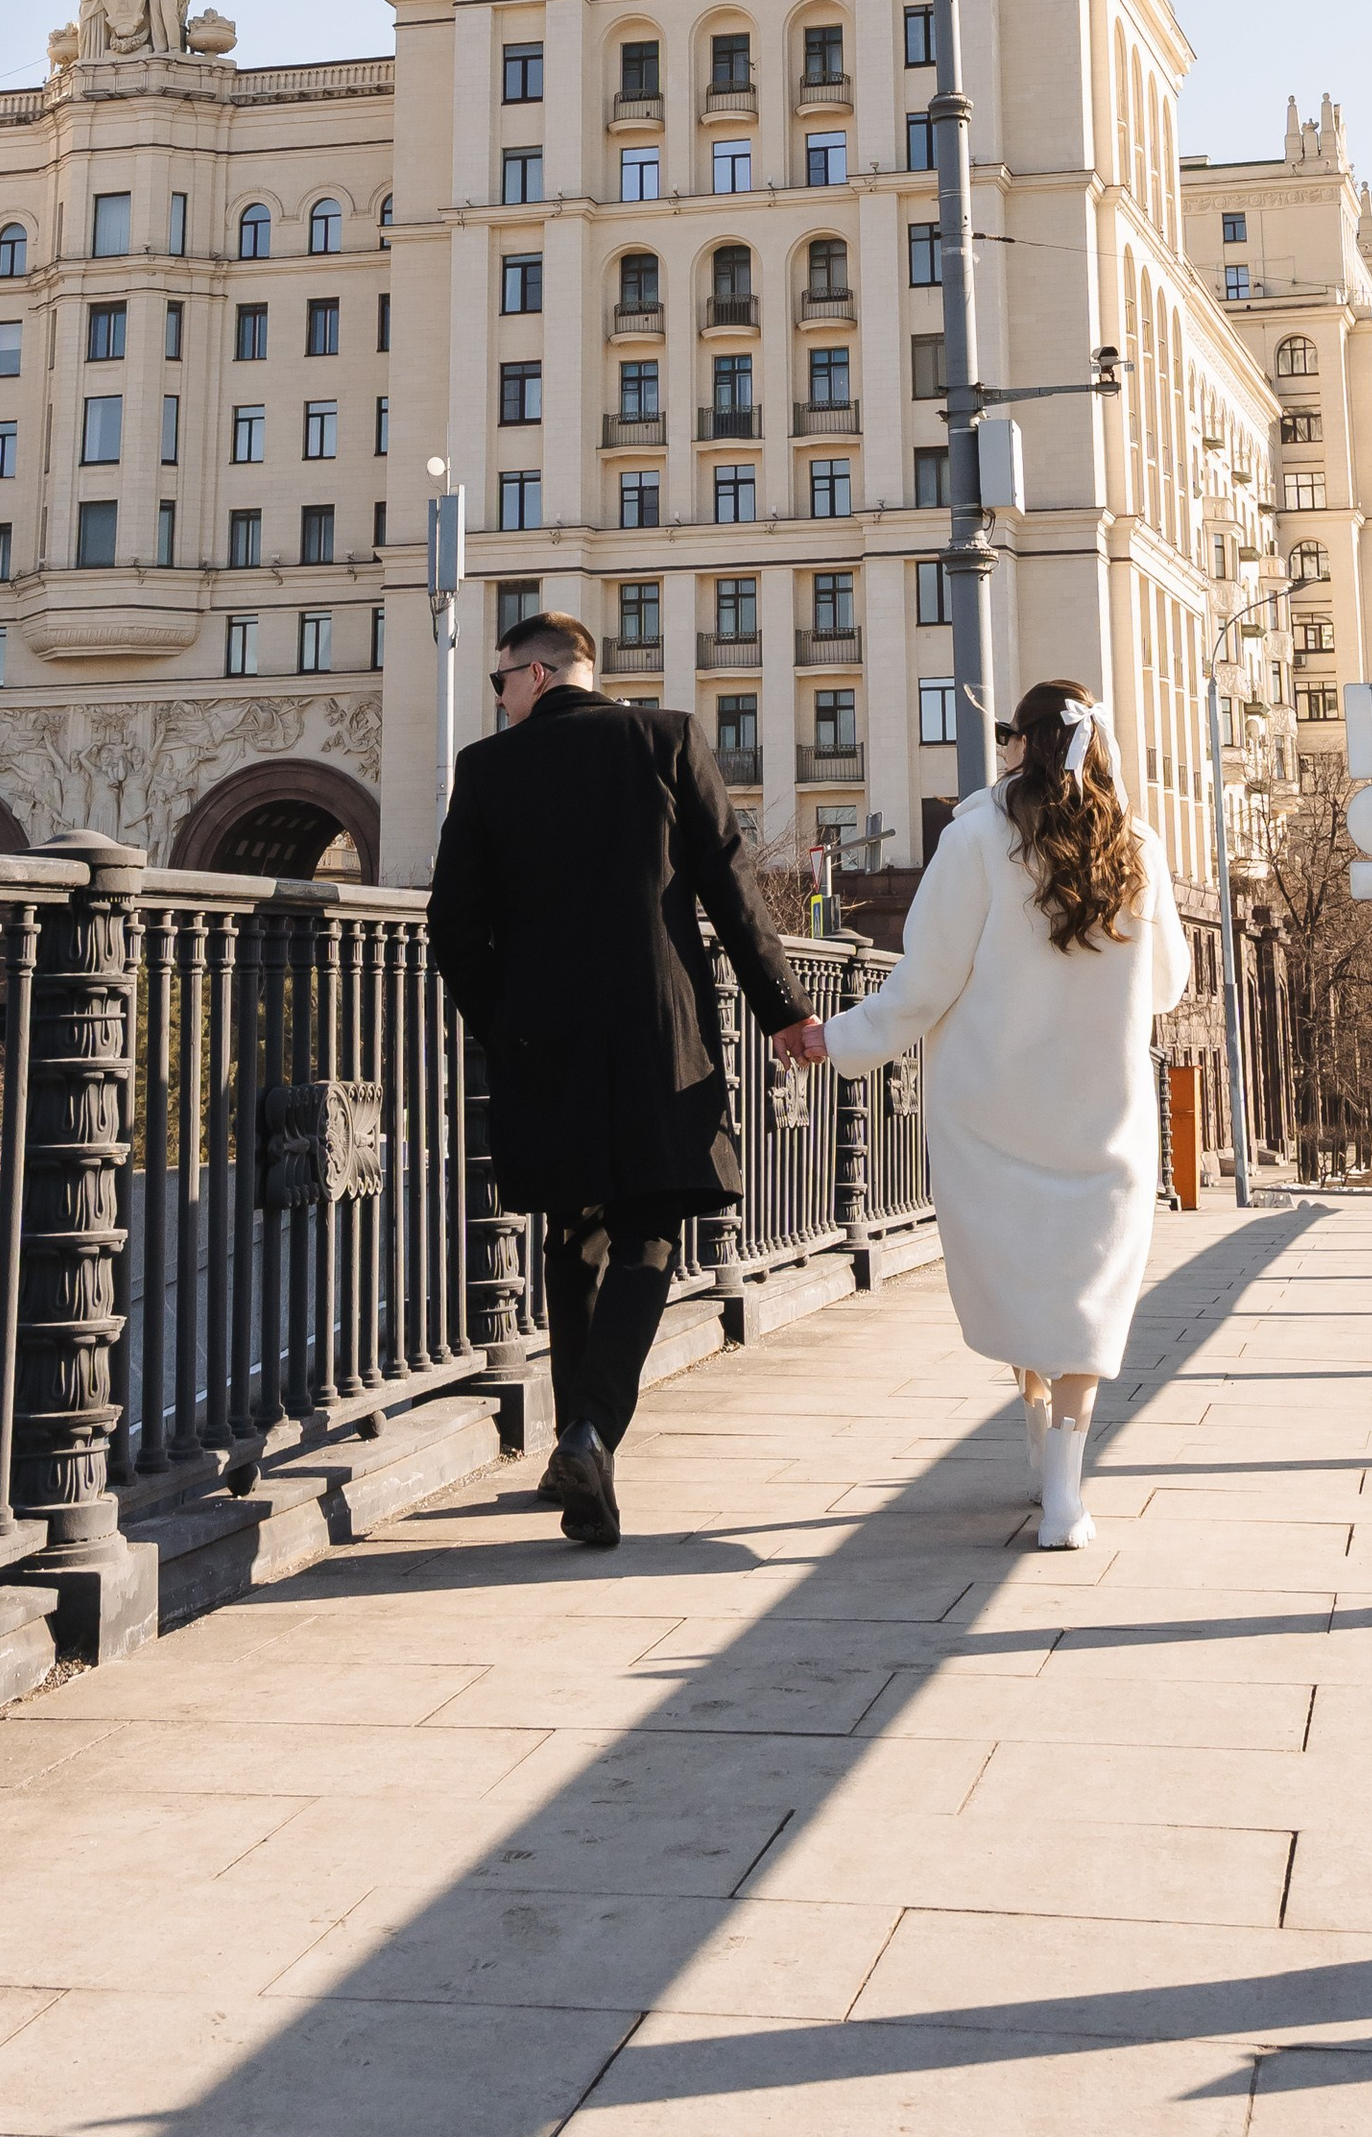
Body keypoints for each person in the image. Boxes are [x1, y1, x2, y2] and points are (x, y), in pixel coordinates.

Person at [428, 610, 814, 1550]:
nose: (499, 697)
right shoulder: (666, 738)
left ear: (540, 673)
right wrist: (786, 1012)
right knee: (648, 1233)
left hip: (543, 1044)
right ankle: (593, 1433)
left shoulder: (486, 769)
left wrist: (504, 1020)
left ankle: (573, 1439)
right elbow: (730, 889)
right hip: (660, 1035)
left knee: (573, 1233)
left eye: (500, 681)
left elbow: (453, 928)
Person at [779, 677, 1189, 1549]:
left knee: (1016, 1276)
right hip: (1103, 1109)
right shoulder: (1138, 845)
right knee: (1088, 1294)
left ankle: (1039, 1435)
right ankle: (1067, 1493)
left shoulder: (973, 839)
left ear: (1018, 745)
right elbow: (1164, 985)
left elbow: (924, 982)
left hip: (991, 1108)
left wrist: (837, 1039)